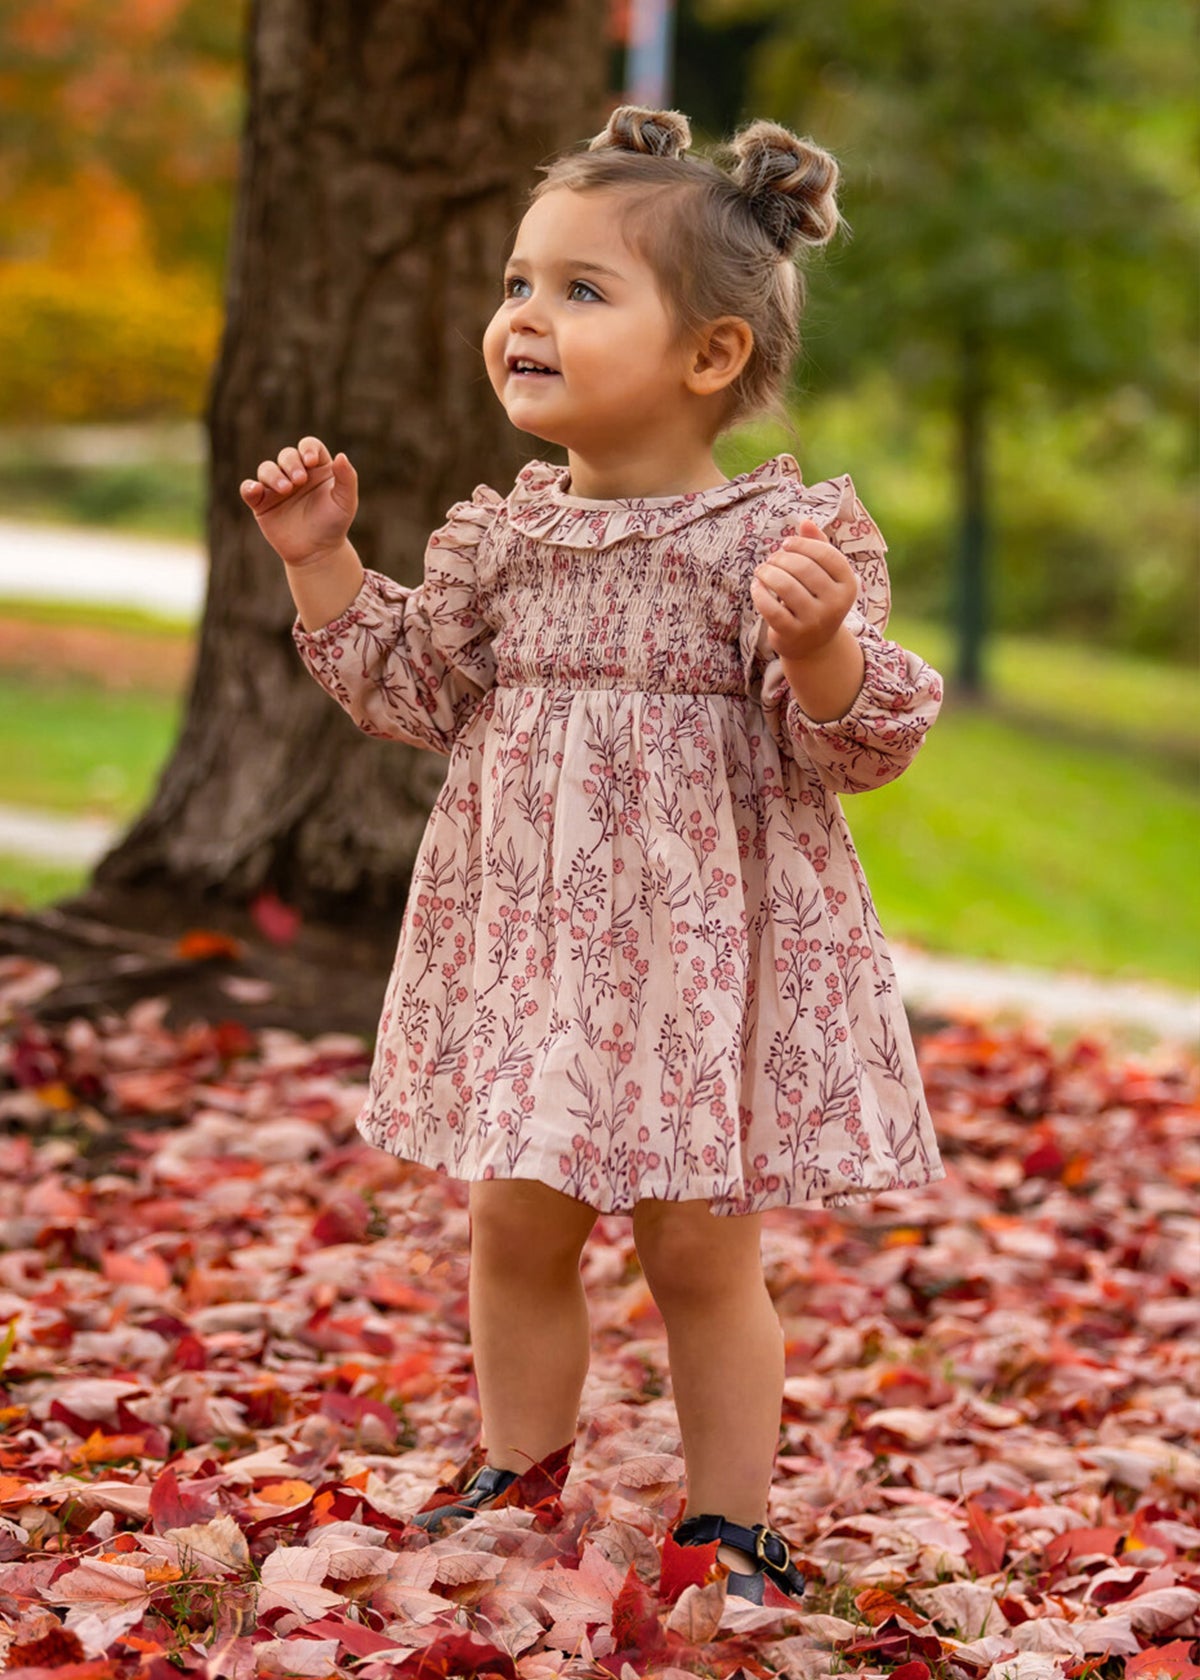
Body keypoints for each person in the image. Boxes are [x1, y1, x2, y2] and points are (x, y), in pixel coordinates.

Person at [240, 105, 944, 1604]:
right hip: (538, 952)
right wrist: (323, 562)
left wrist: (817, 644)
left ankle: (731, 1520)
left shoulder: (777, 541)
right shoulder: (505, 543)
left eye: (579, 289)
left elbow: (857, 745)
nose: (524, 318)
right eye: (515, 284)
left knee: (698, 1251)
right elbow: (412, 693)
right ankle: (519, 1460)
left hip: (694, 966)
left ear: (710, 358)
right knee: (513, 1219)